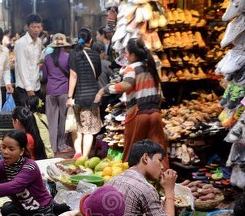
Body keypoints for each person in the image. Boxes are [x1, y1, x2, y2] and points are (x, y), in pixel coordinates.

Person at [107, 140, 194, 216]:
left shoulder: (113, 180)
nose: (162, 167)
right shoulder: (146, 188)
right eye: (159, 160)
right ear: (146, 158)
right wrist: (169, 191)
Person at [95, 38, 165, 162]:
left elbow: (126, 85)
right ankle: (163, 177)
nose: (125, 56)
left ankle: (129, 178)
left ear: (133, 55)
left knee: (132, 151)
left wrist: (103, 90)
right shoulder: (151, 66)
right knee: (158, 152)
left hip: (138, 114)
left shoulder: (131, 68)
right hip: (155, 114)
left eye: (126, 53)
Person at [67, 27, 102, 159]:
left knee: (76, 126)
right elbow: (97, 74)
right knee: (88, 128)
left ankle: (78, 152)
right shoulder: (96, 54)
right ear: (91, 40)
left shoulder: (74, 54)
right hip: (92, 97)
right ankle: (85, 156)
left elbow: (73, 75)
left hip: (77, 96)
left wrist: (70, 96)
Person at [42, 33, 72, 155]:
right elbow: (71, 74)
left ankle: (52, 147)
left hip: (50, 92)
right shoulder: (68, 57)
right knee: (63, 120)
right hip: (64, 91)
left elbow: (44, 77)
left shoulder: (47, 58)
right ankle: (62, 145)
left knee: (51, 121)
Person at [13, 14, 43, 106]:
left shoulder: (39, 42)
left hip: (36, 86)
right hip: (24, 88)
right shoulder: (21, 43)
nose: (37, 30)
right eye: (33, 27)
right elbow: (22, 68)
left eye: (38, 27)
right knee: (26, 117)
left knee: (36, 116)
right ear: (27, 27)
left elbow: (38, 63)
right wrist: (28, 89)